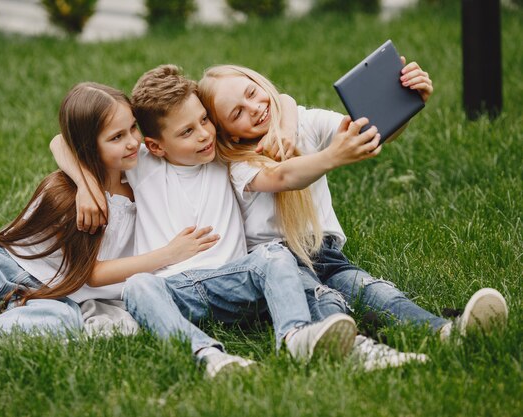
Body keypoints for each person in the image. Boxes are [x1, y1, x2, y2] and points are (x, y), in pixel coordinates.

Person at [51, 65, 361, 378]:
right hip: (176, 290)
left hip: (235, 282)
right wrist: (84, 184)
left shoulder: (222, 154)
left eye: (204, 120)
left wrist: (291, 131)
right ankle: (208, 356)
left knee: (275, 255)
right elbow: (61, 142)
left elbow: (284, 100)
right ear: (156, 145)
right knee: (137, 286)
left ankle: (296, 337)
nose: (203, 135)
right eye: (186, 132)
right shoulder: (143, 161)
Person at [195, 61, 508, 344]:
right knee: (323, 299)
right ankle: (358, 348)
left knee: (371, 289)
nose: (253, 107)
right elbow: (282, 177)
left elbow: (371, 133)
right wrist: (331, 157)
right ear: (230, 134)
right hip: (277, 267)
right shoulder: (239, 164)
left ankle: (447, 332)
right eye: (236, 113)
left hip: (324, 253)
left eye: (252, 93)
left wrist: (407, 104)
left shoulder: (304, 121)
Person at [0, 82, 219, 346]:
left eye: (132, 128)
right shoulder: (71, 200)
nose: (133, 141)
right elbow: (90, 274)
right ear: (89, 148)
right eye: (117, 137)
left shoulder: (138, 167)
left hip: (49, 297)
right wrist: (167, 254)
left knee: (63, 321)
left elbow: (61, 140)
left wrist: (87, 180)